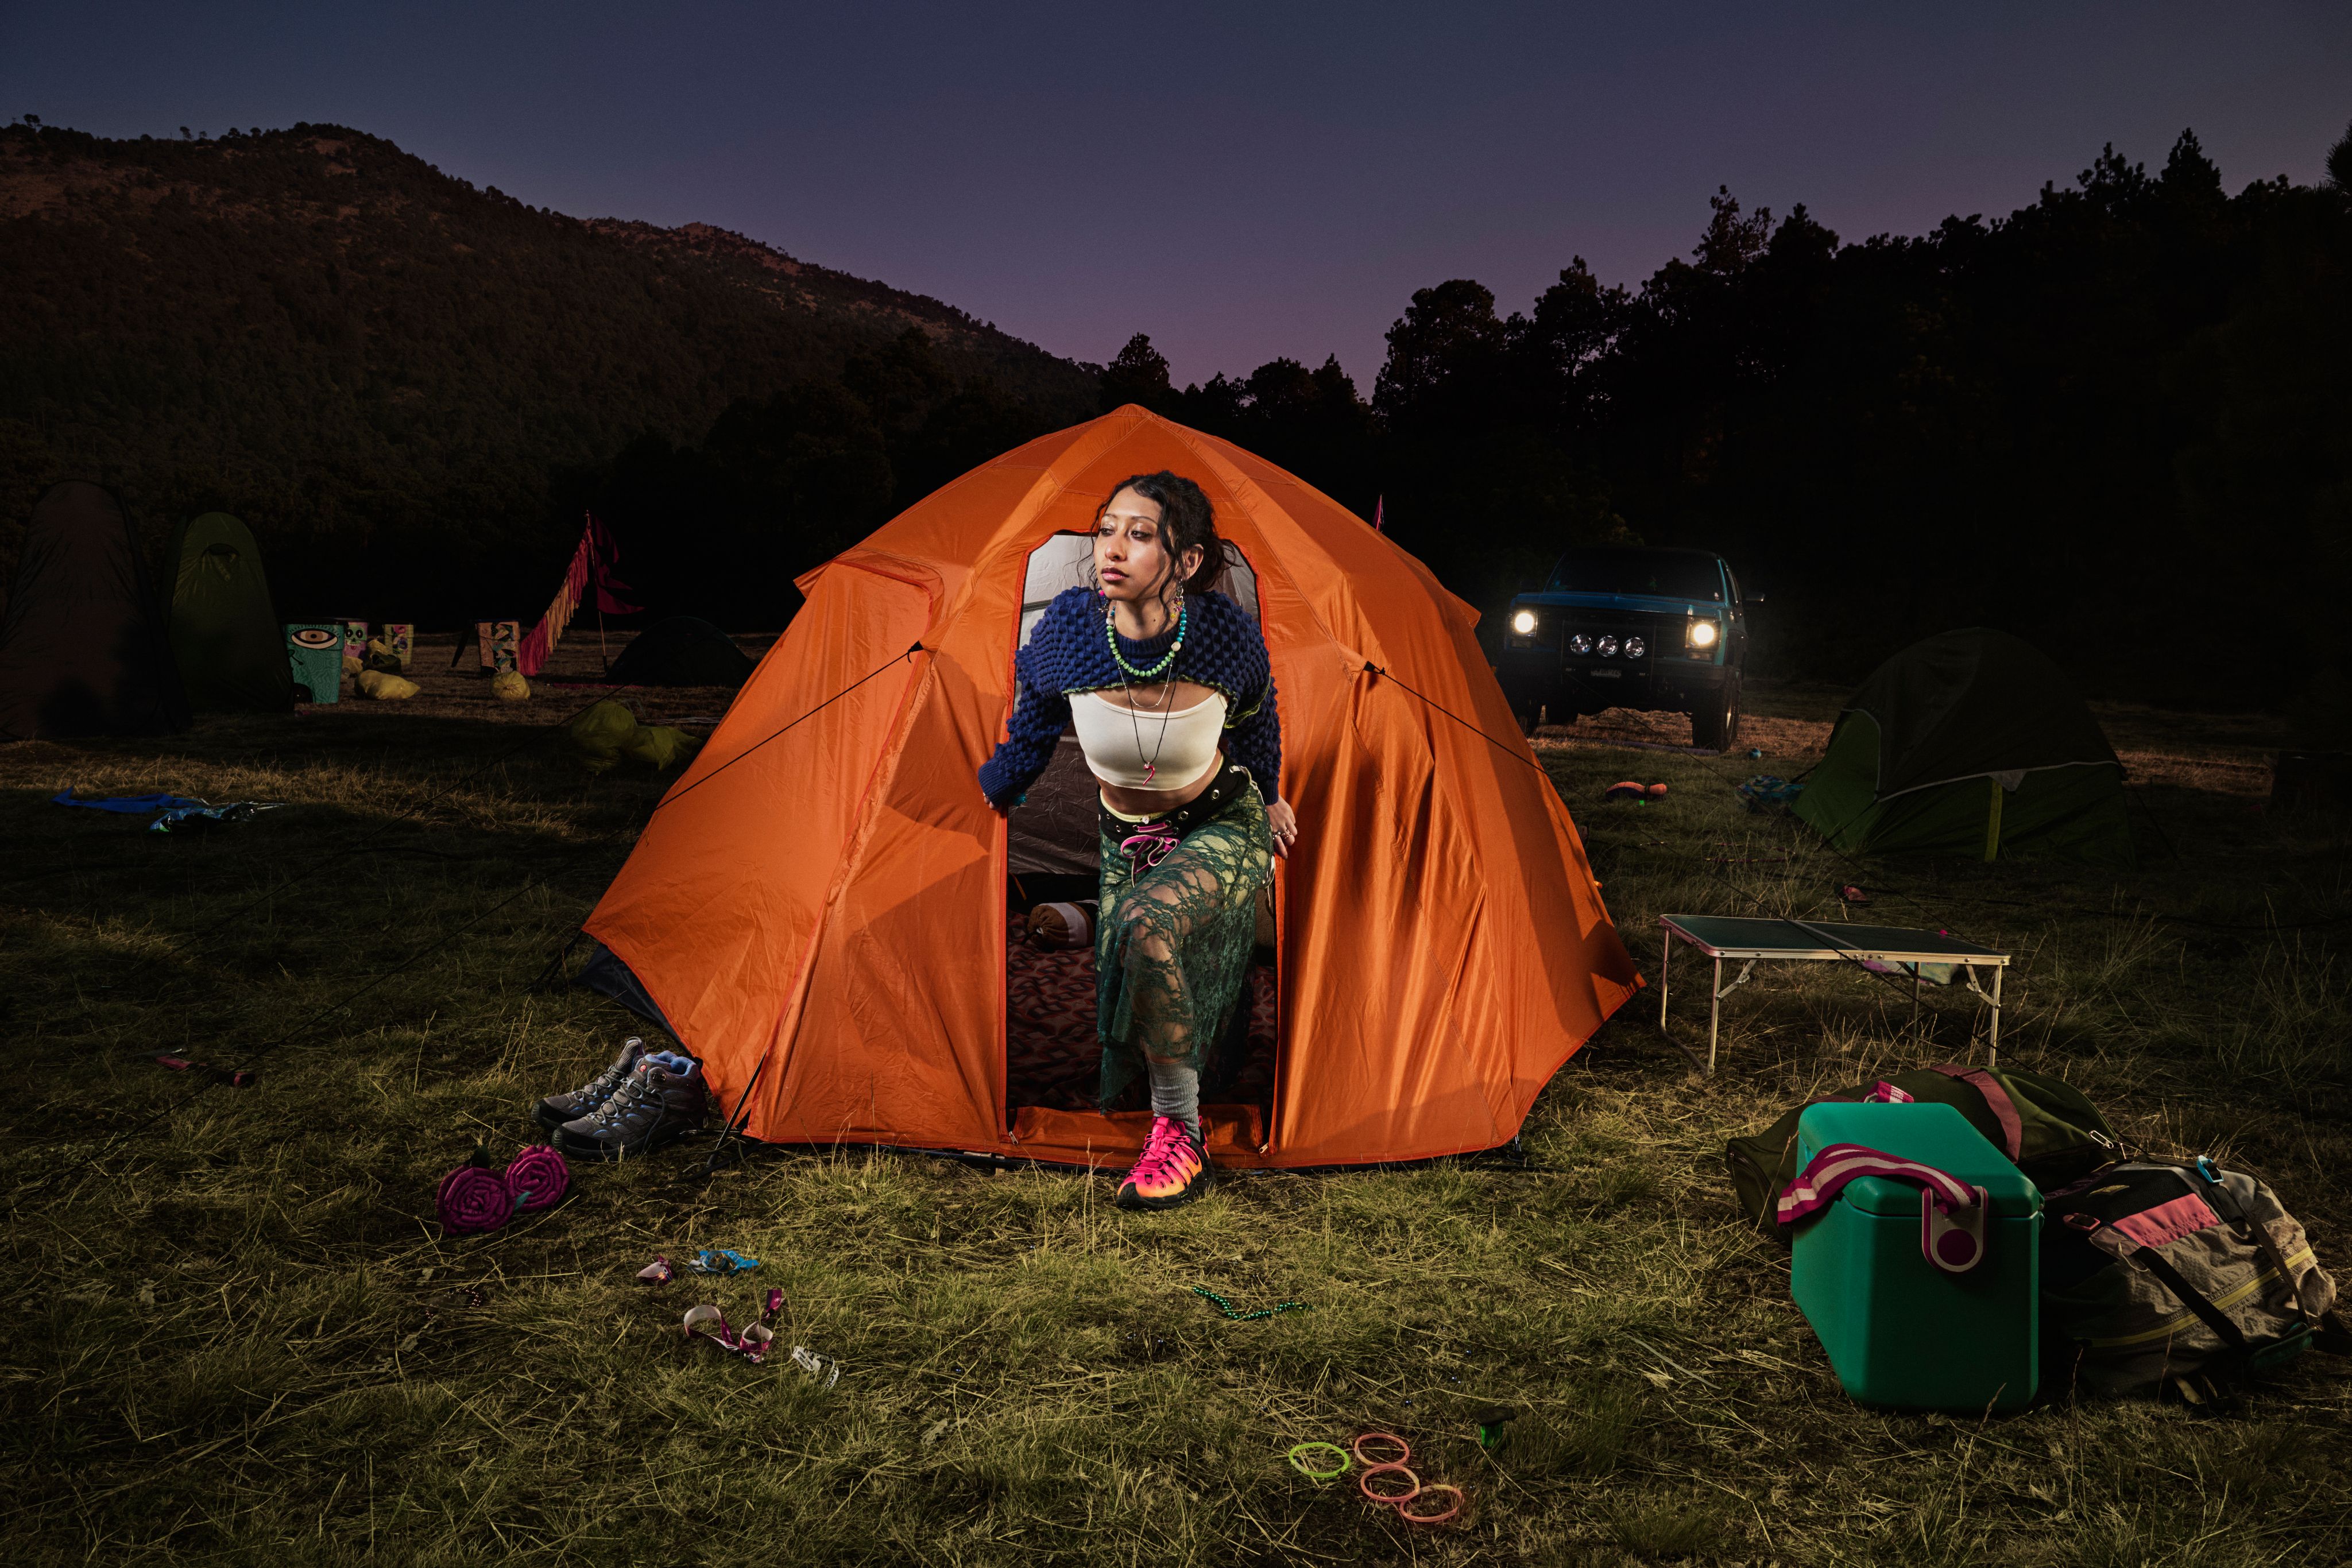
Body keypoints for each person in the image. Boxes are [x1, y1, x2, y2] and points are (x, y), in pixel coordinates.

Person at [978, 472, 1298, 1211]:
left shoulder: (1221, 634)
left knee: (1147, 923)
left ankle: (1181, 1138)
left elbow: (1256, 720)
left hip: (1223, 819)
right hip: (1126, 837)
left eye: (1140, 533)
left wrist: (1272, 792)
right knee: (1137, 965)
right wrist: (989, 793)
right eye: (1106, 529)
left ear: (1185, 560)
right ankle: (1180, 1083)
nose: (1111, 549)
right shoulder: (1067, 631)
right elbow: (1029, 734)